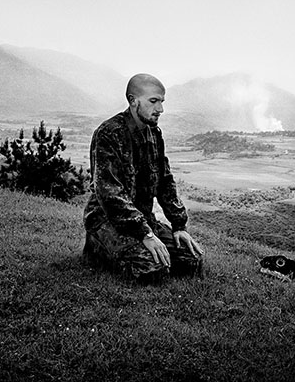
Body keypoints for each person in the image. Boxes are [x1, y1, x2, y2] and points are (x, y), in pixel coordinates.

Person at [83, 73, 204, 282]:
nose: (160, 109)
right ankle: (97, 247)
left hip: (144, 220)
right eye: (153, 101)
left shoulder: (154, 134)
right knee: (152, 269)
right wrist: (145, 234)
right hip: (109, 221)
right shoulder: (109, 134)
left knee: (190, 259)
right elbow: (109, 194)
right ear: (133, 101)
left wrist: (179, 226)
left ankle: (128, 248)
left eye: (162, 102)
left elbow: (165, 181)